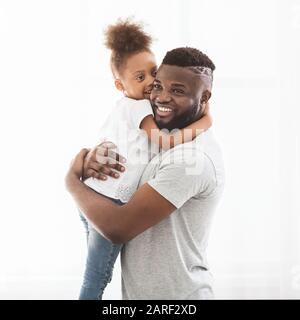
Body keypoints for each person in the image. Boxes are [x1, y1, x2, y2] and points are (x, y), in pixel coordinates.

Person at [66, 46, 225, 300]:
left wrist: (72, 182)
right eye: (158, 85)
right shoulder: (159, 131)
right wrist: (94, 159)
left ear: (204, 98)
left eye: (178, 91)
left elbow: (117, 228)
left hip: (179, 299)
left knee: (93, 280)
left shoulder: (190, 159)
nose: (160, 96)